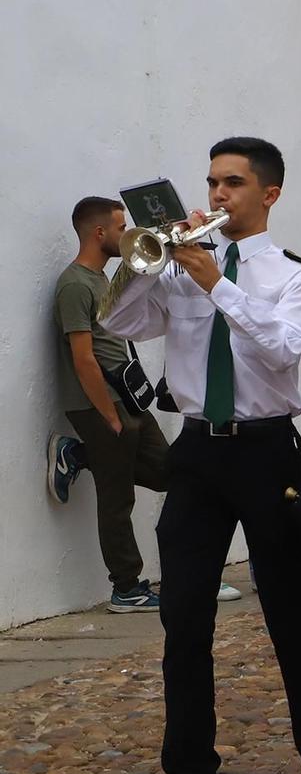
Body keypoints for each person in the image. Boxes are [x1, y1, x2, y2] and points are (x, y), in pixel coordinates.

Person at [102, 136, 301, 774]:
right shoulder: (178, 269)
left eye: (232, 183)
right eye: (211, 182)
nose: (217, 196)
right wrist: (152, 265)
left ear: (268, 194)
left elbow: (283, 347)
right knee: (182, 618)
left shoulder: (295, 274)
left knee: (285, 611)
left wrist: (216, 282)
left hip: (265, 451)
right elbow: (116, 322)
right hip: (198, 455)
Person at [49, 197, 214, 611]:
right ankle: (127, 588)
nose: (127, 235)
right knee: (117, 496)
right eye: (121, 228)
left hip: (128, 401)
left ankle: (80, 455)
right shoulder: (74, 284)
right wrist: (108, 415)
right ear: (99, 233)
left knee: (169, 472)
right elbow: (82, 357)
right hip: (101, 406)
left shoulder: (103, 279)